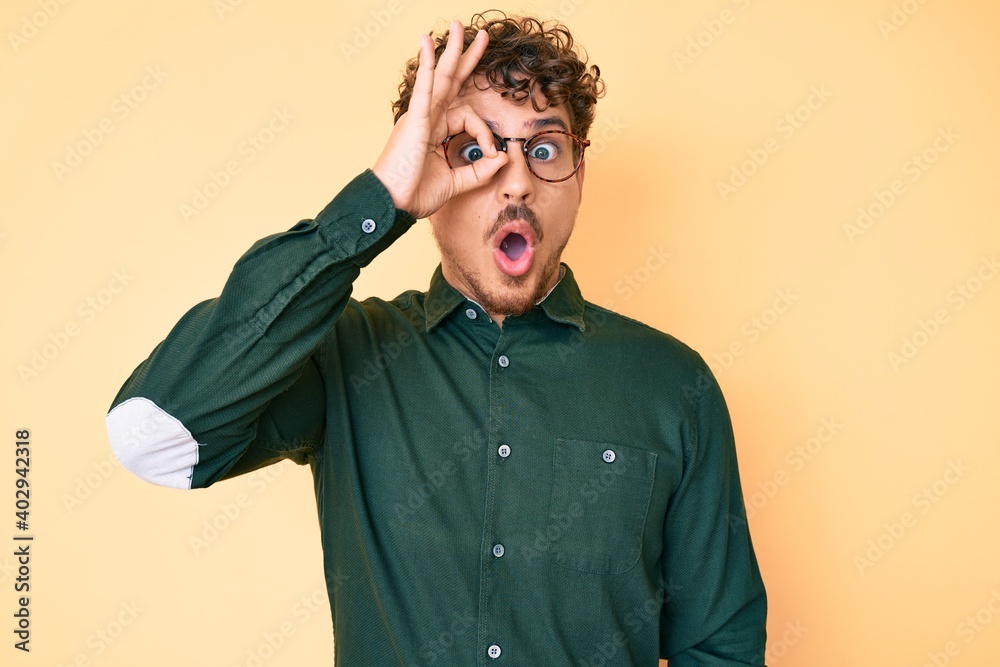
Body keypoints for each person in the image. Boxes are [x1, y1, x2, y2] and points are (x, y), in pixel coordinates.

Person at [105, 10, 767, 666]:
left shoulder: (674, 385)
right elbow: (151, 435)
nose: (516, 181)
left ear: (580, 172)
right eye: (474, 149)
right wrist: (377, 201)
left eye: (544, 149)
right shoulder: (345, 356)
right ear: (425, 170)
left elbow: (721, 647)